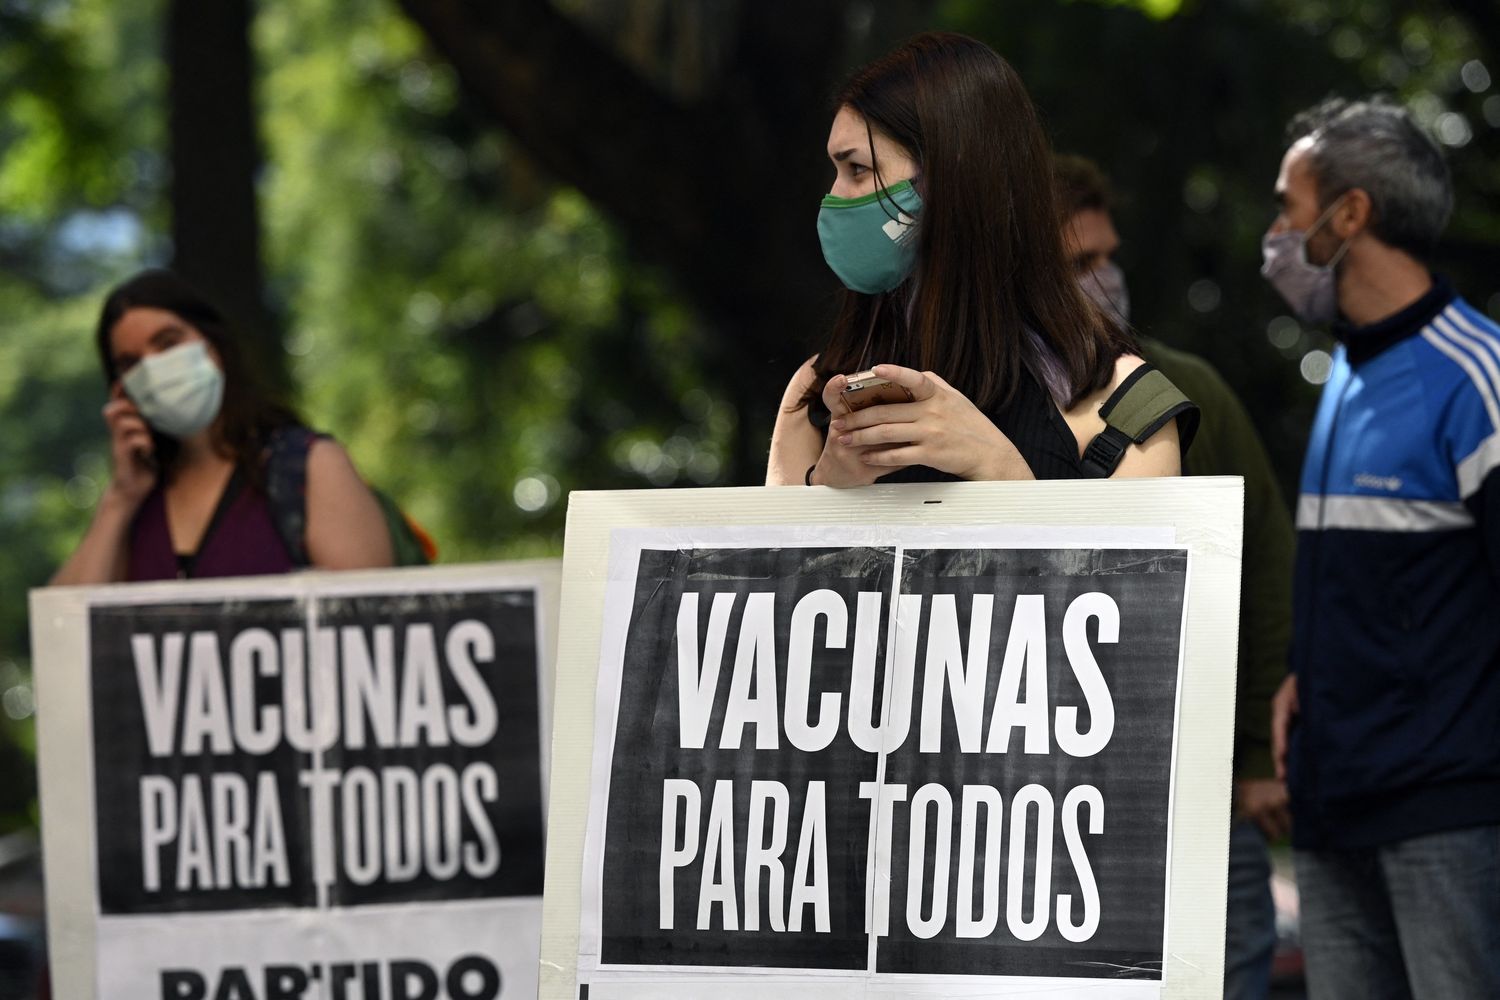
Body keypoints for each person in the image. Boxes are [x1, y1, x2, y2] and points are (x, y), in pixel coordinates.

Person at [1265, 97, 1500, 998]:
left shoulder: (1475, 375)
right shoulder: (1346, 371)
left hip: (1444, 814)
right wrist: (1304, 674)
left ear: (1350, 214)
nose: (1277, 235)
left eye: (1289, 207)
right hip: (1330, 810)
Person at [1055, 155, 1293, 1000]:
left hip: (1197, 798)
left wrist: (1259, 759)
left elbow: (1262, 568)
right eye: (1080, 263)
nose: (1106, 278)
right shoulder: (977, 396)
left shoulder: (1187, 392)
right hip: (1039, 802)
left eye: (1108, 256)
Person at [765, 33, 1195, 487]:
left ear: (950, 178)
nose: (834, 198)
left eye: (858, 169)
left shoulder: (1125, 406)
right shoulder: (816, 393)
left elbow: (1130, 562)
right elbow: (765, 558)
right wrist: (825, 486)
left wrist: (999, 470)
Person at [52, 269, 393, 584]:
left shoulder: (306, 466)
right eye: (131, 363)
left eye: (168, 342)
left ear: (214, 346)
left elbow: (368, 626)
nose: (154, 371)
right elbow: (63, 628)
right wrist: (119, 499)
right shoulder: (135, 505)